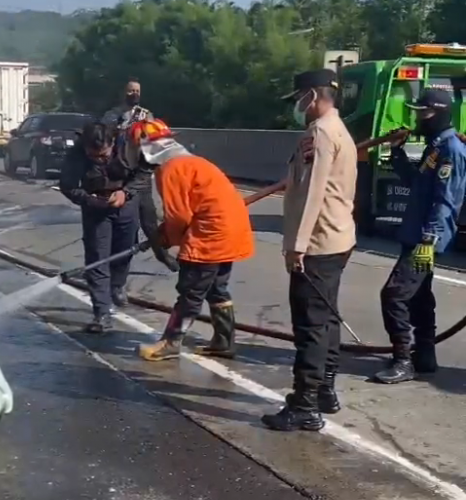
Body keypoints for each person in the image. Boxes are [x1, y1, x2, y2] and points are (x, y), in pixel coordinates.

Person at [261, 69, 357, 432]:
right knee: (327, 318)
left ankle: (304, 404)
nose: (298, 107)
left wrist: (296, 246)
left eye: (299, 99)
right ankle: (324, 390)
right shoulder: (340, 129)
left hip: (317, 243)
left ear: (312, 96)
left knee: (311, 325)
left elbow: (313, 193)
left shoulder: (319, 133)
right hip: (338, 238)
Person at [121, 118, 254, 362]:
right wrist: (164, 234)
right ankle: (224, 342)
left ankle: (170, 343)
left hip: (210, 234)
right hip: (230, 230)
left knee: (191, 291)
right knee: (216, 288)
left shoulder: (170, 169)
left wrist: (164, 240)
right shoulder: (194, 162)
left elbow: (179, 217)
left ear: (144, 148)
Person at [373, 89, 466, 385]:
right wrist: (397, 152)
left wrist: (430, 239)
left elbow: (446, 200)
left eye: (422, 113)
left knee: (394, 294)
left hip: (427, 239)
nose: (416, 117)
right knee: (419, 297)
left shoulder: (451, 149)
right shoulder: (435, 147)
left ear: (438, 113)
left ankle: (403, 360)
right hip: (416, 235)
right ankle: (425, 355)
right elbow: (417, 183)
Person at [59, 121, 142, 332]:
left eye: (104, 155)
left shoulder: (129, 146)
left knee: (124, 252)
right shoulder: (76, 154)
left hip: (126, 204)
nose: (99, 160)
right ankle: (102, 314)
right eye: (93, 156)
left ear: (113, 142)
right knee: (97, 260)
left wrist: (126, 193)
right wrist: (89, 200)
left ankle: (117, 285)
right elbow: (67, 186)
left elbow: (143, 175)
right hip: (95, 209)